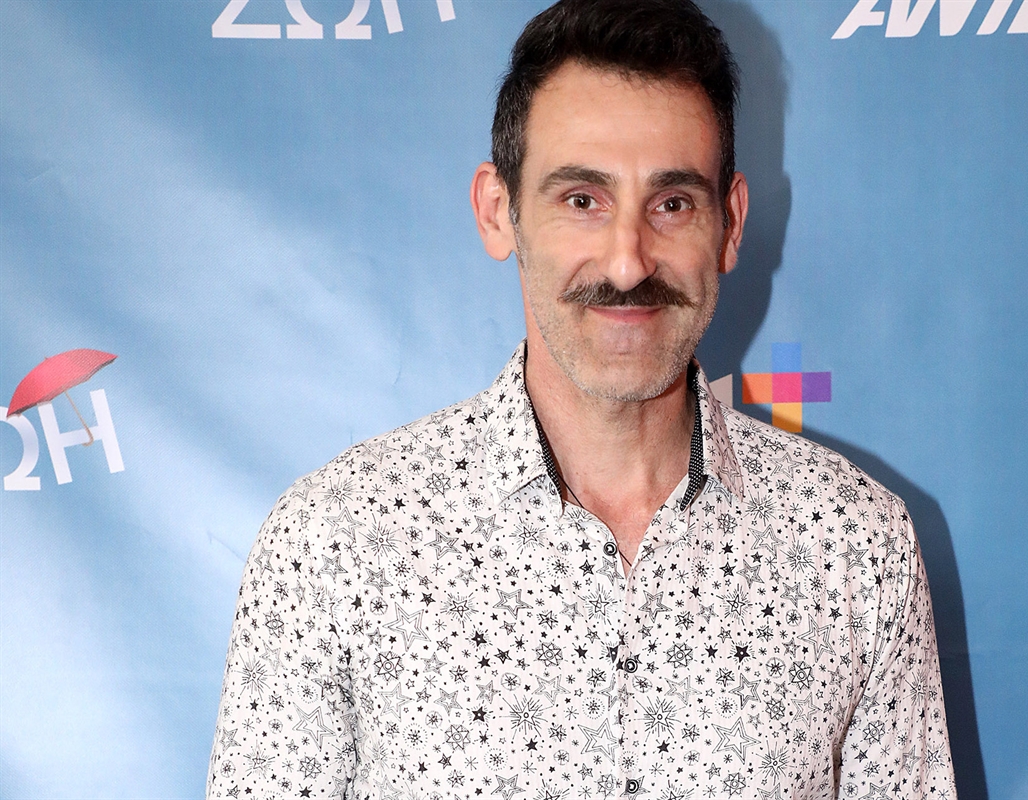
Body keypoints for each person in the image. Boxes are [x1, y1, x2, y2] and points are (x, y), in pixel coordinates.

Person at [207, 1, 957, 797]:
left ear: (730, 224)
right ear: (498, 212)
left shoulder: (854, 545)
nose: (628, 262)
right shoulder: (335, 543)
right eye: (581, 200)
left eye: (672, 203)